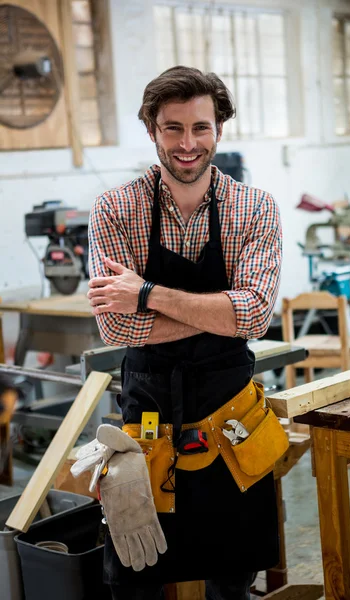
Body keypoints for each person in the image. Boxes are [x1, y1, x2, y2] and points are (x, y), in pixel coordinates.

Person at [87, 66, 284, 600]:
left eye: (200, 127)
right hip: (146, 427)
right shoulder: (114, 209)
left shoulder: (255, 207)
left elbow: (255, 316)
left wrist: (147, 294)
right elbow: (115, 323)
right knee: (135, 581)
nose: (187, 143)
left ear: (219, 128)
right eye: (172, 128)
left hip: (232, 425)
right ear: (151, 129)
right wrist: (218, 311)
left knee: (232, 583)